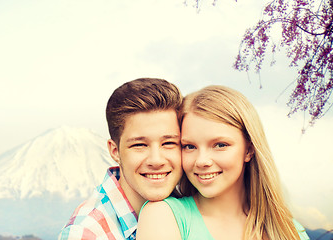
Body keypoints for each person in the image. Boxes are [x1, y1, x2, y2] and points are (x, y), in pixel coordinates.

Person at [137, 85, 310, 240]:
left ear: (248, 150)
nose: (202, 161)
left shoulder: (291, 230)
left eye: (220, 145)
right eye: (189, 146)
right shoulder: (163, 216)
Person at [59, 78, 183, 240]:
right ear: (115, 151)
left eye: (168, 143)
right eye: (139, 145)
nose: (156, 160)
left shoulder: (192, 209)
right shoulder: (87, 233)